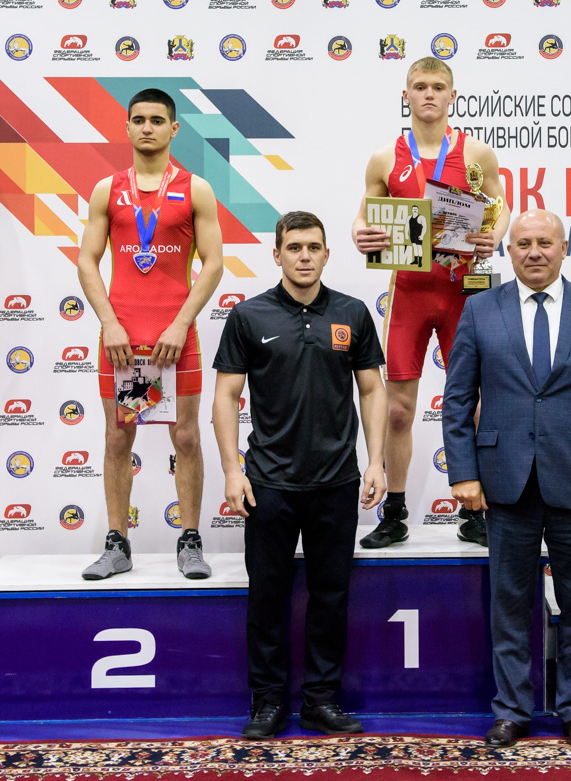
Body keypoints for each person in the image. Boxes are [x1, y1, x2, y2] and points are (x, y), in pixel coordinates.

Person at [442, 209, 571, 749]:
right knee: (509, 605)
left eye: (545, 243)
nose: (534, 252)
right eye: (523, 243)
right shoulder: (480, 309)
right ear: (509, 251)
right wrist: (463, 472)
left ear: (564, 248)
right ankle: (512, 711)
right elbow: (457, 400)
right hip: (504, 483)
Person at [212, 211, 387, 740]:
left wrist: (376, 461)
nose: (304, 256)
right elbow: (225, 396)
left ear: (327, 254)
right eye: (294, 247)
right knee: (267, 596)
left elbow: (372, 390)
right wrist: (232, 470)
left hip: (336, 482)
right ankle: (267, 704)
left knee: (331, 596)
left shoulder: (352, 313)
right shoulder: (248, 315)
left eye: (313, 247)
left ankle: (321, 702)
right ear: (277, 255)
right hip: (268, 483)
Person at [353, 56, 510, 549]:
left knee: (475, 406)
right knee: (399, 411)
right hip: (410, 294)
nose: (428, 94)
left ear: (452, 96)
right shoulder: (385, 158)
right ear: (406, 95)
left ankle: (475, 510)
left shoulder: (477, 153)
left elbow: (500, 207)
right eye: (419, 86)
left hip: (464, 291)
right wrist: (360, 234)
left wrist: (494, 236)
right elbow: (364, 218)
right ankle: (394, 511)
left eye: (438, 87)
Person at [77, 88, 223, 580]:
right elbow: (87, 261)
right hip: (121, 340)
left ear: (174, 128)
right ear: (126, 127)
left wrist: (181, 323)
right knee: (118, 436)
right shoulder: (107, 189)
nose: (147, 128)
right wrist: (109, 323)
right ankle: (117, 543)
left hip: (175, 339)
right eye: (138, 119)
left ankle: (190, 540)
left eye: (157, 120)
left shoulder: (196, 189)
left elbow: (214, 263)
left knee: (186, 436)